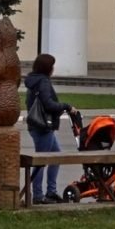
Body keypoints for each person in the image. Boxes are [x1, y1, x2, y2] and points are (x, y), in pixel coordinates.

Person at [23, 52, 70, 204]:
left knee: (56, 156)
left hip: (37, 125)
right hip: (43, 126)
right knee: (41, 160)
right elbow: (48, 104)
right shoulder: (43, 82)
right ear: (47, 68)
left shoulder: (34, 80)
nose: (53, 69)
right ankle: (38, 195)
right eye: (52, 66)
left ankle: (51, 191)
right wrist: (65, 106)